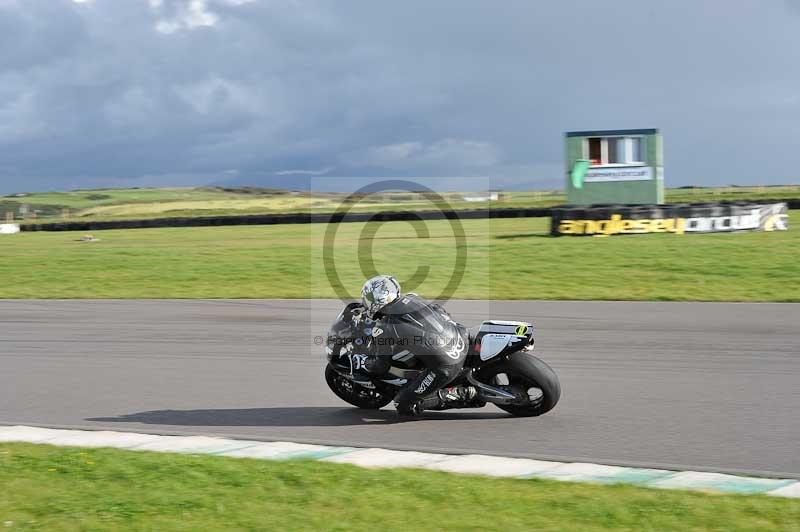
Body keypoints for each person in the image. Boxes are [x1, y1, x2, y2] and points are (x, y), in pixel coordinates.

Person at [351, 274, 477, 417]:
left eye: (369, 299)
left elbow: (381, 366)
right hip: (461, 337)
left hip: (446, 365)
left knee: (402, 405)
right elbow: (440, 311)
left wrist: (364, 363)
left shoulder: (384, 327)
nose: (366, 302)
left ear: (379, 300)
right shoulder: (412, 297)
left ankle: (460, 393)